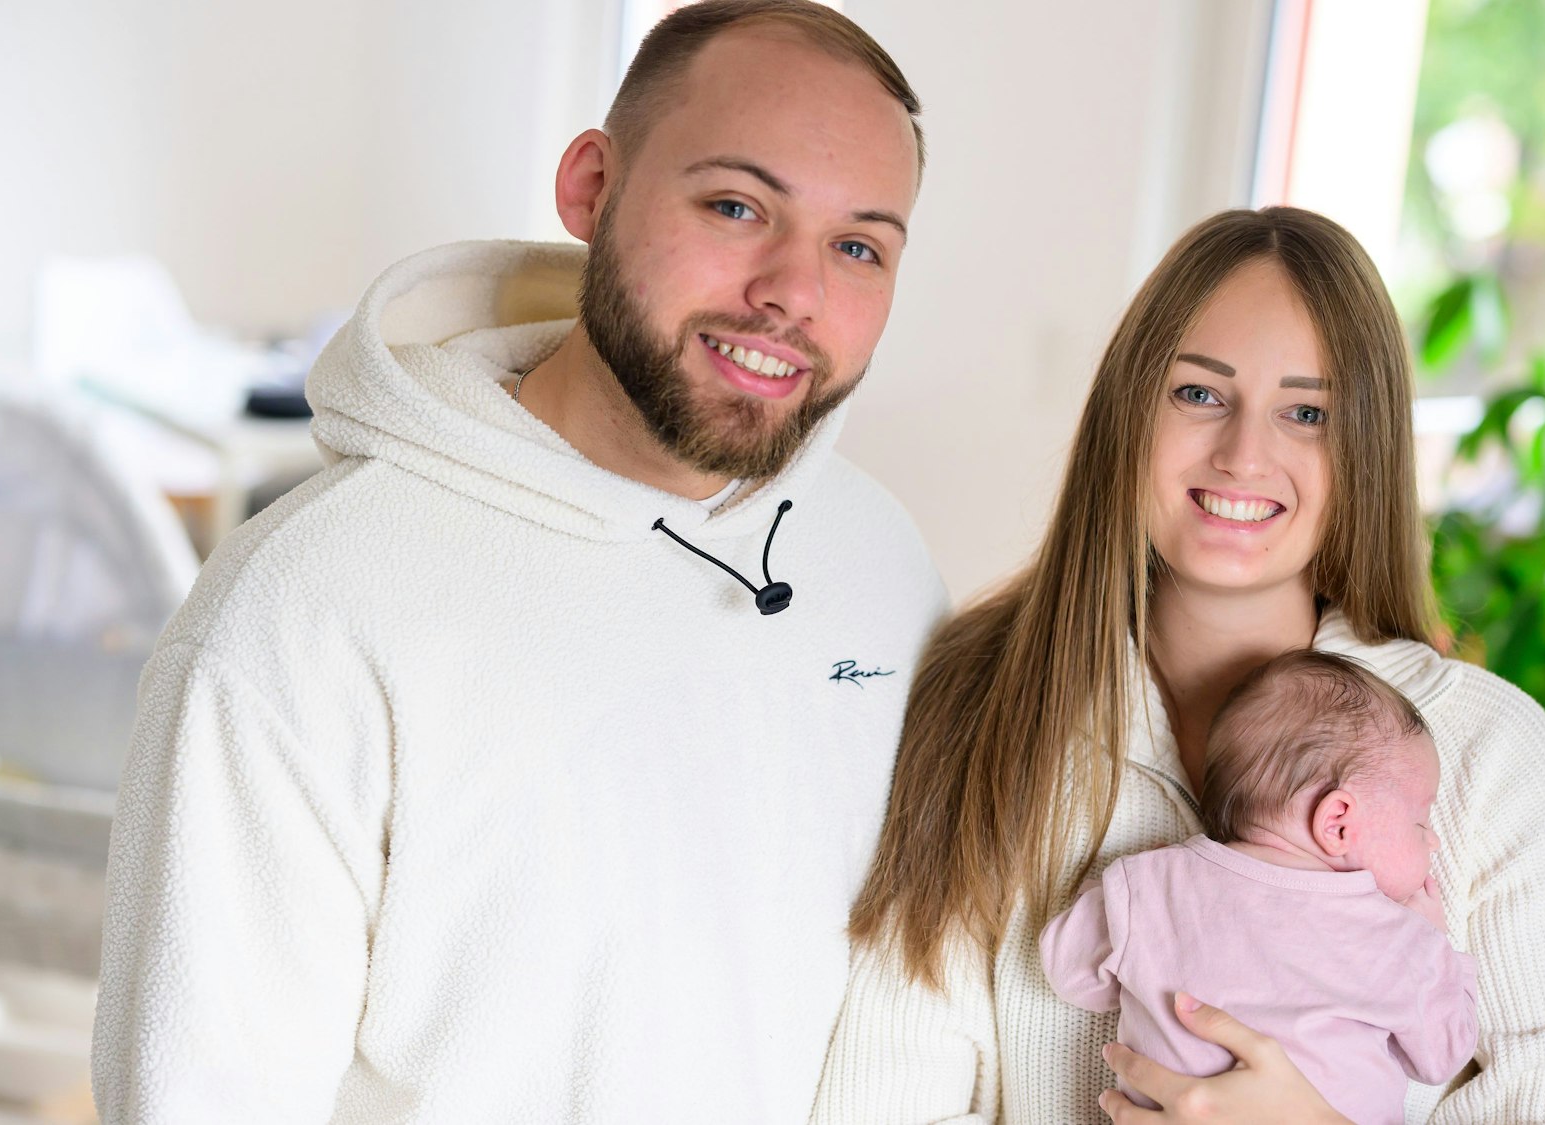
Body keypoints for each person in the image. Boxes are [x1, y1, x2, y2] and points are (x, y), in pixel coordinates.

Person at [91, 3, 947, 1121]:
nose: (792, 291)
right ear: (592, 186)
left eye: (857, 247)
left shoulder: (877, 559)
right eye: (735, 206)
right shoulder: (306, 607)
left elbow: (915, 997)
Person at [810, 207, 1545, 1124]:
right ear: (1129, 410)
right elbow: (880, 1099)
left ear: (1362, 451)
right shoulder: (977, 708)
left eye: (1306, 412)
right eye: (1200, 394)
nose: (1245, 454)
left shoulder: (1488, 751)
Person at [1039, 649, 1478, 1123]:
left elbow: (1070, 974)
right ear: (1337, 822)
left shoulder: (1150, 884)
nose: (1432, 838)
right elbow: (1443, 1054)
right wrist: (1437, 946)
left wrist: (1127, 888)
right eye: (1420, 820)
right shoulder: (1399, 938)